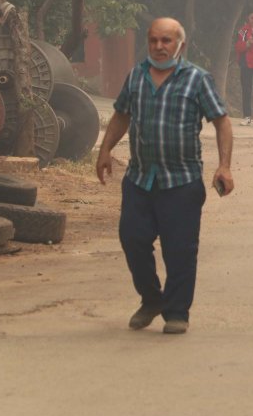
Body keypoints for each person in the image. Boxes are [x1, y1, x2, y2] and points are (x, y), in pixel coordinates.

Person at [96, 17, 234, 335]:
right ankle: (151, 298)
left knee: (180, 249)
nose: (159, 47)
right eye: (154, 40)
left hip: (181, 181)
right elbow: (121, 115)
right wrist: (105, 151)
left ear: (180, 45)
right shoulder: (136, 77)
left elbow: (222, 122)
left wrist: (224, 166)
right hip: (140, 178)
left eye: (166, 41)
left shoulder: (197, 79)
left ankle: (176, 312)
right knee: (132, 238)